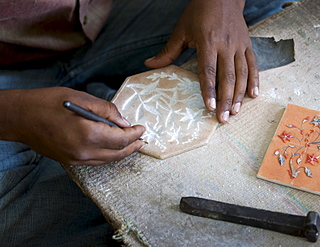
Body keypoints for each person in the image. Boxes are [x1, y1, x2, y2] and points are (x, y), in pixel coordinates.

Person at [0, 0, 298, 246]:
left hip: (90, 19)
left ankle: (107, 94)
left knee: (257, 7)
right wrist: (16, 115)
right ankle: (106, 96)